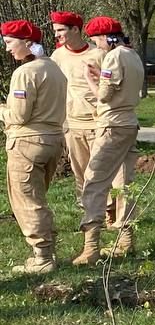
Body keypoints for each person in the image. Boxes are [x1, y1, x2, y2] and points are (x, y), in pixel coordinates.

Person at [74, 16, 144, 265]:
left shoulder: (113, 57)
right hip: (129, 123)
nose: (96, 46)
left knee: (94, 181)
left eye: (96, 41)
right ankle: (126, 239)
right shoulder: (132, 55)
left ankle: (90, 247)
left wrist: (92, 79)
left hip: (111, 125)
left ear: (106, 37)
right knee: (124, 182)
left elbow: (104, 96)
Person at [1, 19, 67, 274]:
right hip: (52, 140)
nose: (7, 49)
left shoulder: (25, 72)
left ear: (27, 43)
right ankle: (47, 249)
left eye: (9, 43)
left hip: (28, 142)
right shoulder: (53, 68)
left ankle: (43, 257)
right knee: (37, 198)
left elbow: (19, 115)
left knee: (27, 200)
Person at [49, 11, 101, 210]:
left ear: (76, 29)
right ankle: (86, 208)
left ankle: (106, 208)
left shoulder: (97, 54)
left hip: (97, 122)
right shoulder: (57, 56)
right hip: (72, 123)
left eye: (61, 30)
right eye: (55, 31)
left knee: (98, 169)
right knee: (79, 169)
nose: (57, 35)